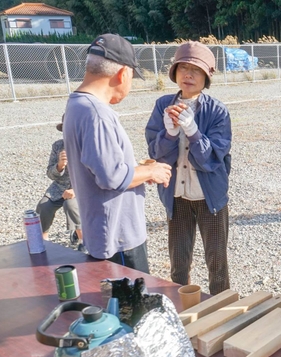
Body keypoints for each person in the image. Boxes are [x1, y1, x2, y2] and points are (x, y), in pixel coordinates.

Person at [64, 34, 172, 274]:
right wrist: (150, 170)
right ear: (123, 73)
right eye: (132, 77)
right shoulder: (96, 113)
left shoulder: (77, 105)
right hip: (118, 236)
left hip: (101, 231)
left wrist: (141, 174)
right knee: (129, 307)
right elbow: (112, 177)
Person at [146, 42, 232, 293]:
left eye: (196, 70)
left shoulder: (217, 111)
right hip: (176, 196)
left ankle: (221, 307)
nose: (188, 74)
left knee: (216, 260)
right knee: (179, 260)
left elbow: (211, 159)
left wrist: (193, 132)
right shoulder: (163, 105)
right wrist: (170, 133)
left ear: (207, 76)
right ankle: (179, 305)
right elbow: (156, 153)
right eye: (183, 68)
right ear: (174, 73)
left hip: (210, 197)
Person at [35, 115, 85, 252]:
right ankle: (43, 243)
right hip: (59, 188)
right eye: (65, 130)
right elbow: (50, 174)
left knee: (71, 205)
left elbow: (93, 174)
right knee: (43, 206)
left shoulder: (87, 145)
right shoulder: (58, 146)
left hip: (83, 188)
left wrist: (76, 190)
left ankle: (84, 241)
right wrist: (59, 166)